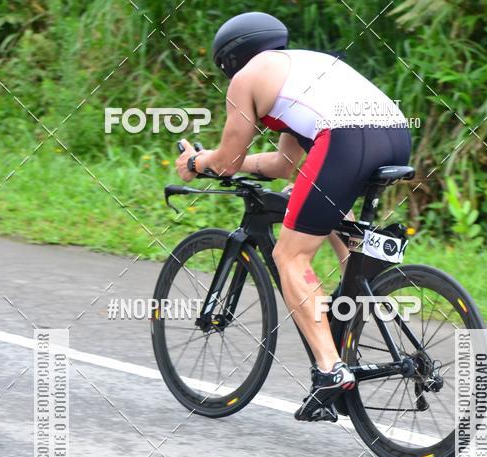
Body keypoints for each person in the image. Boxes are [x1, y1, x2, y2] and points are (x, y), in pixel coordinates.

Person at [176, 12, 411, 422]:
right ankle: (360, 287)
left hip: (345, 139)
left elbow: (227, 162)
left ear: (230, 59)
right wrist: (240, 164)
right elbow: (287, 163)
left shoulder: (246, 78)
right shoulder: (302, 67)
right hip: (394, 134)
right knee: (326, 208)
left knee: (290, 256)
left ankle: (329, 369)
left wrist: (197, 161)